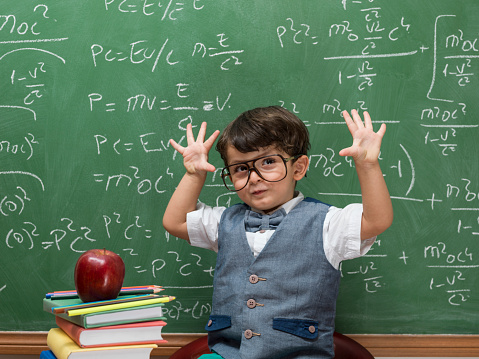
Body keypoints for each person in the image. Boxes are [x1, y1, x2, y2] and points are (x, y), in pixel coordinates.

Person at [163, 106, 393, 359]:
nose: (254, 178)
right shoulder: (224, 221)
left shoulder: (327, 223)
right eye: (240, 168)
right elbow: (175, 222)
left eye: (268, 162)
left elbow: (376, 221)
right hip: (229, 353)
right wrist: (194, 174)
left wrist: (367, 164)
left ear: (299, 167)